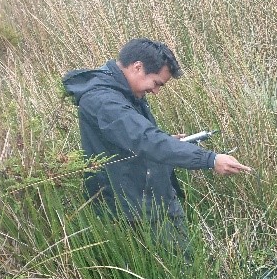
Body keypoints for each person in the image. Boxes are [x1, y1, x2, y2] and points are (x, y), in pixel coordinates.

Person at [62, 38, 251, 248]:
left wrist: (168, 142)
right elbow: (147, 140)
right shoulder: (104, 101)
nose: (156, 91)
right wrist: (210, 159)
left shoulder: (123, 92)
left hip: (147, 199)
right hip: (134, 209)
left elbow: (131, 138)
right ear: (137, 67)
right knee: (179, 267)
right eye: (156, 83)